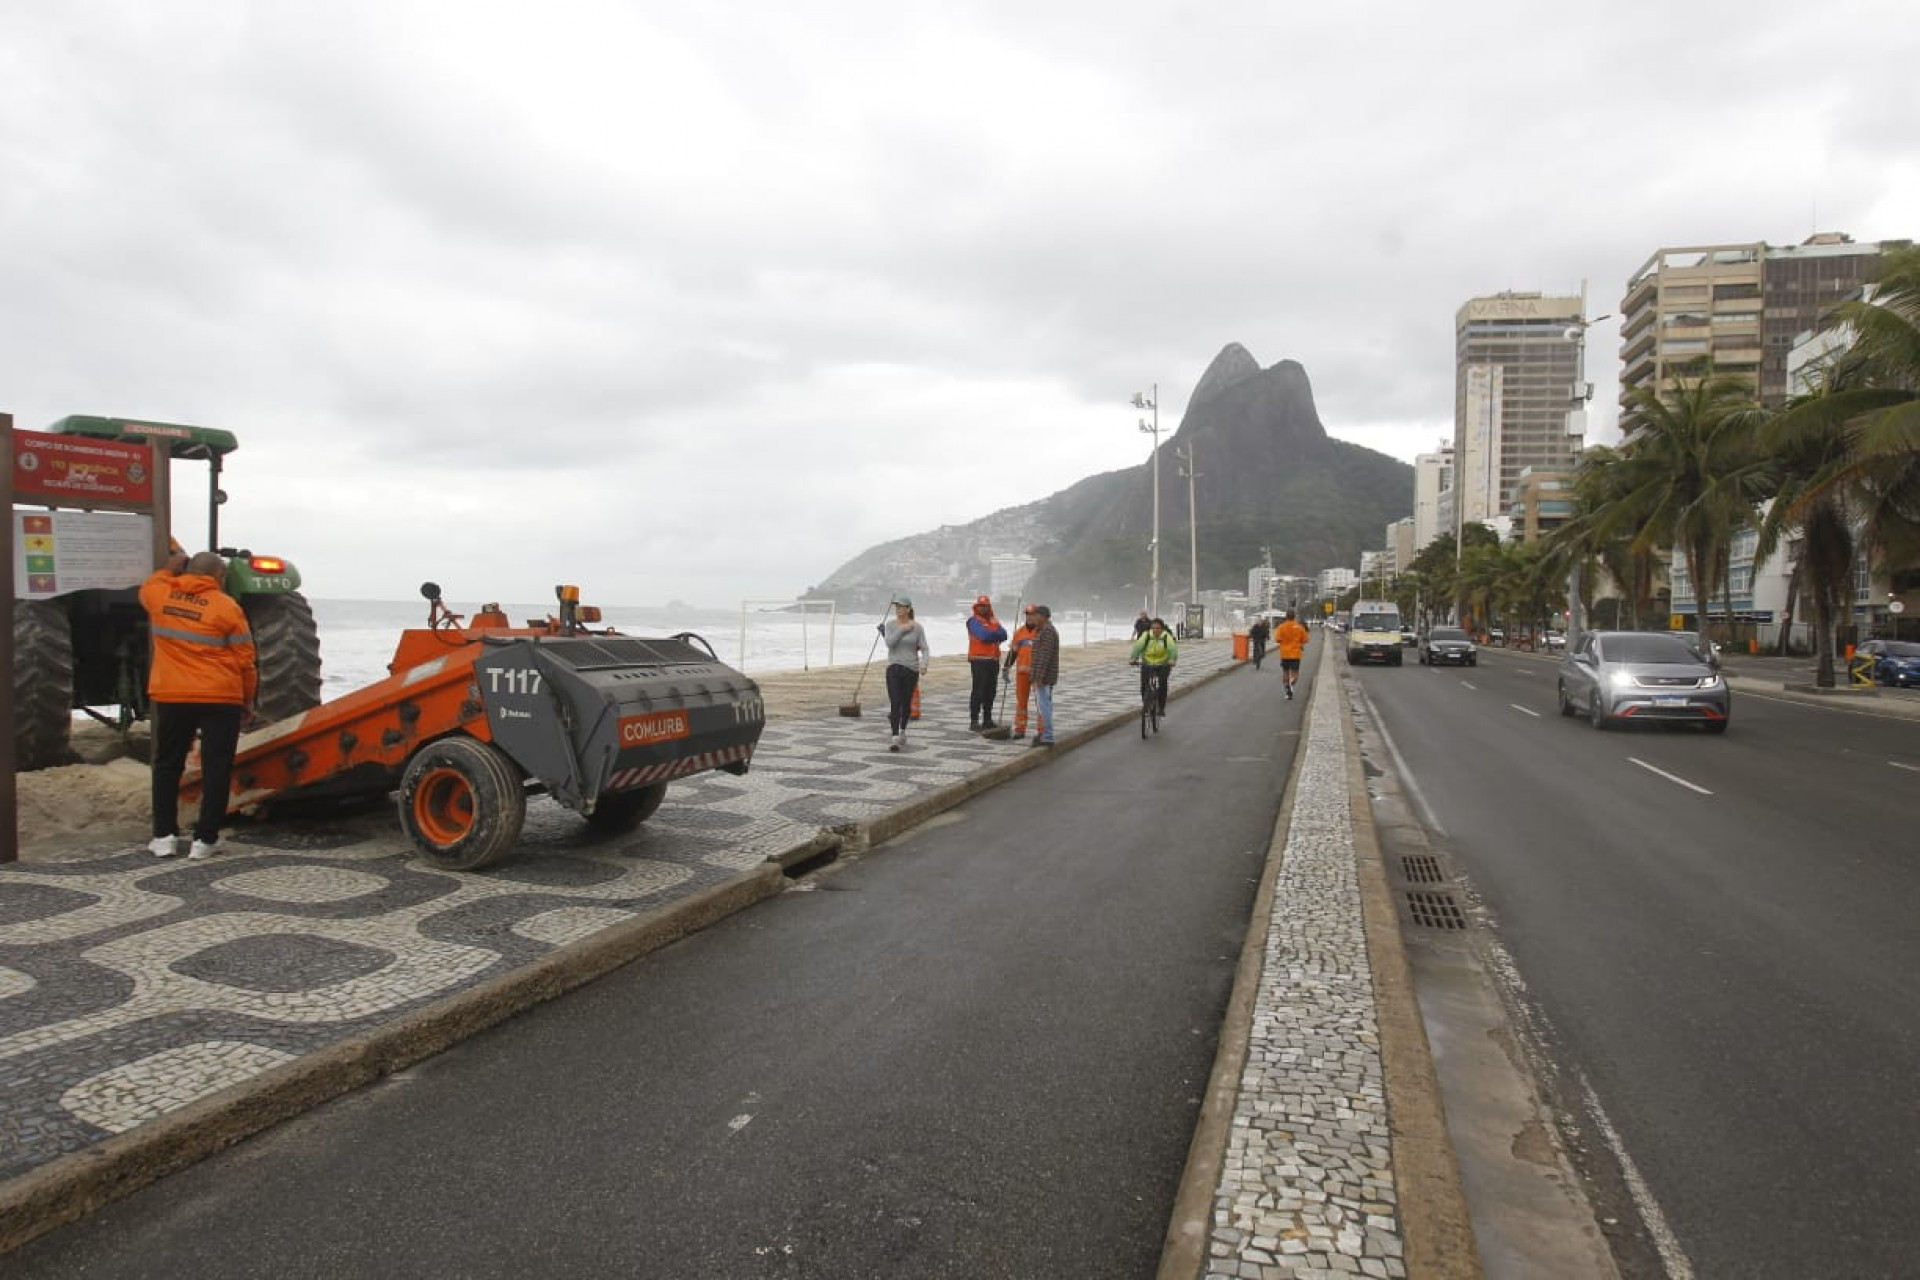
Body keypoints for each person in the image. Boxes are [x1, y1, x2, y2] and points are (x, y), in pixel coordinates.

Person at [140, 548, 259, 860]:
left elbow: (150, 585)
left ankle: (164, 837)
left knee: (167, 765)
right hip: (221, 697)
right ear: (219, 576)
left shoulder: (161, 596)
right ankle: (205, 841)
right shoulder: (227, 607)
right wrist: (247, 700)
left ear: (187, 572)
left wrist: (170, 567)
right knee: (217, 768)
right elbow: (246, 661)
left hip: (173, 696)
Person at [878, 596, 930, 751]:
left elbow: (925, 648)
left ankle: (902, 731)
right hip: (893, 668)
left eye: (902, 607)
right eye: (897, 607)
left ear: (908, 609)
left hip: (911, 669)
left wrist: (924, 664)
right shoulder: (890, 625)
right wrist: (902, 629)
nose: (899, 609)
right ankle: (894, 737)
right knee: (895, 702)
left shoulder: (917, 627)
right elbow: (889, 643)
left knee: (905, 703)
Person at [964, 593, 1007, 731]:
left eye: (985, 606)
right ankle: (974, 720)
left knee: (991, 691)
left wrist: (992, 635)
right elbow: (983, 636)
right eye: (981, 606)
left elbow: (1004, 634)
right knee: (978, 691)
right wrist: (995, 635)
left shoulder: (994, 620)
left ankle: (987, 719)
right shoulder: (973, 621)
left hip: (993, 661)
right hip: (979, 661)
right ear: (977, 607)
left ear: (989, 607)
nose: (983, 608)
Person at [1002, 604, 1040, 738]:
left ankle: (1042, 731)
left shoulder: (1042, 632)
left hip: (1038, 674)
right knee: (1021, 702)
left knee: (1040, 703)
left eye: (1032, 614)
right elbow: (1013, 652)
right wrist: (1006, 667)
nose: (1030, 617)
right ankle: (1020, 728)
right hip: (1022, 673)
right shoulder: (1019, 632)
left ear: (1037, 616)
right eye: (1028, 614)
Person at [1129, 615, 1179, 718]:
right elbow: (1138, 646)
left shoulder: (1166, 636)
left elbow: (1172, 648)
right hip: (1147, 662)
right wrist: (1133, 658)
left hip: (1163, 663)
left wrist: (1172, 660)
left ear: (1162, 629)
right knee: (1144, 684)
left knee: (1162, 684)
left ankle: (1161, 708)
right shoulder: (1146, 636)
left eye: (1158, 628)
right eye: (1153, 628)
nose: (1155, 630)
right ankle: (1146, 705)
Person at [1028, 604, 1059, 747]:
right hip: (1042, 676)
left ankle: (1047, 736)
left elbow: (1044, 656)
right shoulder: (1042, 630)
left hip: (1044, 677)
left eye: (1035, 615)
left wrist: (1038, 678)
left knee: (1044, 706)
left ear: (1042, 616)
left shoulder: (1047, 632)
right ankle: (1046, 734)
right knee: (1044, 705)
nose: (1032, 617)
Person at [1274, 609, 1311, 699]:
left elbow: (1277, 639)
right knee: (1295, 674)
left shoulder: (1281, 627)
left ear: (1286, 616)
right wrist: (1299, 643)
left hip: (1284, 654)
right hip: (1295, 654)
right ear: (1294, 616)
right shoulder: (1299, 627)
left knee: (1285, 672)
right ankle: (1291, 684)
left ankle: (1287, 689)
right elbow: (1306, 639)